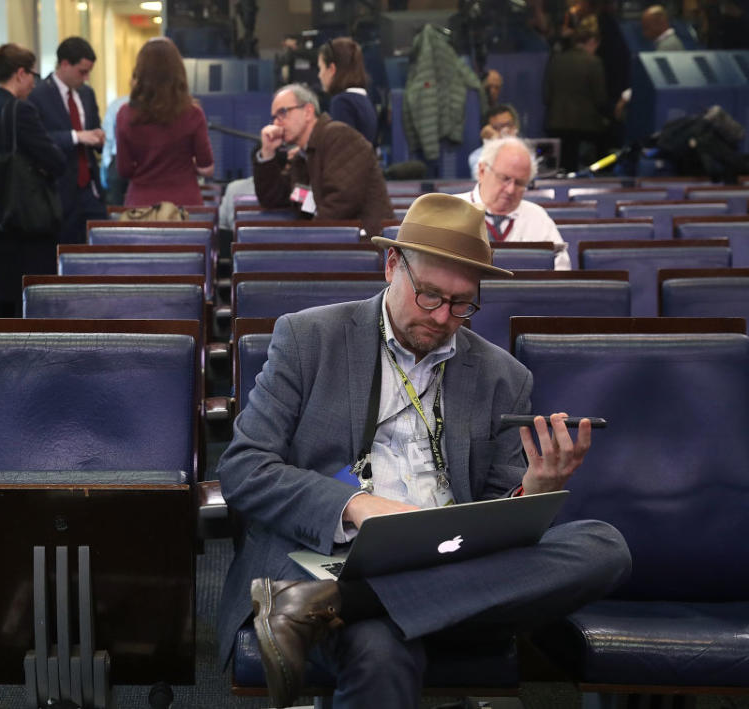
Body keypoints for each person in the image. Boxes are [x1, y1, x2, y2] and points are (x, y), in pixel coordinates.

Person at [215, 193, 632, 708]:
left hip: (449, 560)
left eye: (462, 304)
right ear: (393, 265)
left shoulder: (504, 376)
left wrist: (536, 491)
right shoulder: (309, 338)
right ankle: (343, 597)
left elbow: (499, 513)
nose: (442, 317)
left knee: (604, 544)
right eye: (430, 296)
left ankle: (334, 606)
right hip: (332, 554)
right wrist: (358, 506)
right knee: (378, 650)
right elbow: (243, 469)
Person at [0, 43, 66, 317]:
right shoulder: (19, 111)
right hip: (26, 218)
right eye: (33, 77)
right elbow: (55, 160)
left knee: (5, 304)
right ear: (21, 73)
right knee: (31, 304)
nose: (34, 85)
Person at [254, 84, 393, 239]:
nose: (276, 124)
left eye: (283, 113)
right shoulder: (303, 156)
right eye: (274, 117)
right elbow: (275, 199)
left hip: (369, 247)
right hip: (337, 244)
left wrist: (307, 238)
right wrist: (267, 153)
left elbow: (342, 201)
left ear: (308, 112)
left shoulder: (339, 137)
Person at [114, 37, 214, 207]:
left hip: (141, 206)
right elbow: (206, 164)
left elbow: (124, 170)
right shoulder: (193, 113)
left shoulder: (126, 114)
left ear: (140, 72)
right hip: (185, 205)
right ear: (178, 72)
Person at [27, 37, 105, 245]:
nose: (86, 78)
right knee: (65, 251)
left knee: (99, 248)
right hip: (58, 189)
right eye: (82, 72)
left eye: (89, 72)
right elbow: (37, 140)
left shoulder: (87, 94)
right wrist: (75, 137)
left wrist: (99, 138)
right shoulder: (38, 94)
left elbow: (94, 130)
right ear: (64, 64)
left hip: (89, 188)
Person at [456, 136, 571, 270]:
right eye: (505, 178)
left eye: (520, 183)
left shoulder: (538, 218)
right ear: (482, 171)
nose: (510, 190)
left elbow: (561, 270)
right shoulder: (452, 209)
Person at [543, 24, 609, 172]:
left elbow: (546, 95)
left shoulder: (555, 60)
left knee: (561, 167)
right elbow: (600, 97)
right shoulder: (594, 62)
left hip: (556, 122)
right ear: (592, 41)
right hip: (585, 126)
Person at [317, 37, 378, 146]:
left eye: (321, 68)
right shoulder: (364, 99)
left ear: (331, 69)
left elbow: (342, 151)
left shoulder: (341, 102)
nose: (319, 75)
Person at [468, 103, 521, 179]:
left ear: (516, 126)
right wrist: (495, 142)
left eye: (508, 125)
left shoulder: (527, 152)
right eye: (497, 128)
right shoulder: (477, 156)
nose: (505, 131)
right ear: (488, 131)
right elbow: (484, 181)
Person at [100, 94, 129, 205]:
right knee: (116, 208)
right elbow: (108, 137)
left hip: (144, 164)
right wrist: (108, 164)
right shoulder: (118, 105)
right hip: (117, 159)